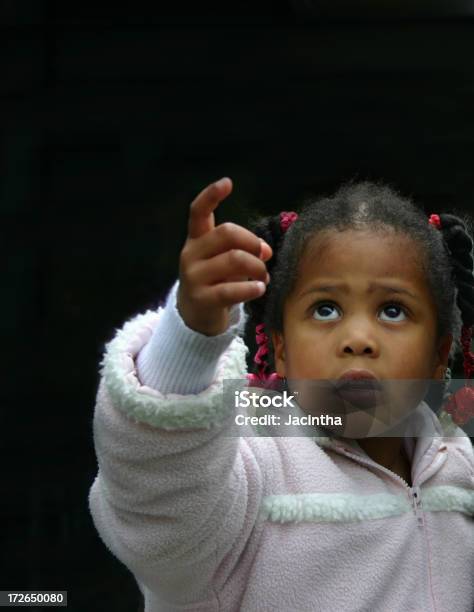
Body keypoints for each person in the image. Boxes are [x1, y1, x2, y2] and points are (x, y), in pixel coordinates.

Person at [89, 177, 474, 612]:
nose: (358, 339)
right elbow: (160, 499)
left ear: (440, 356)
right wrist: (190, 339)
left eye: (392, 310)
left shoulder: (459, 469)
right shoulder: (248, 465)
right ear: (281, 349)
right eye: (325, 308)